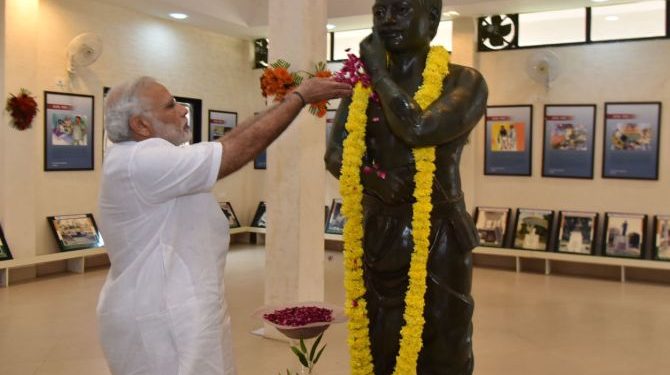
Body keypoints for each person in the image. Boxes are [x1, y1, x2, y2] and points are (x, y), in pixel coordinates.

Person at [97, 76, 351, 375]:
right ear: (141, 126)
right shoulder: (140, 159)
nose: (182, 110)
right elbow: (232, 153)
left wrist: (292, 98)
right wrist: (299, 98)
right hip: (162, 316)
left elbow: (226, 143)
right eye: (170, 106)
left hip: (178, 305)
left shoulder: (146, 156)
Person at [325, 0, 487, 373]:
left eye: (400, 10)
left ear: (430, 20)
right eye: (379, 13)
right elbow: (335, 155)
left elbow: (420, 129)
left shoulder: (464, 81)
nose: (387, 21)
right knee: (382, 339)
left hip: (441, 232)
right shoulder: (361, 91)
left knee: (445, 343)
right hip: (379, 232)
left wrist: (380, 74)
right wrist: (374, 182)